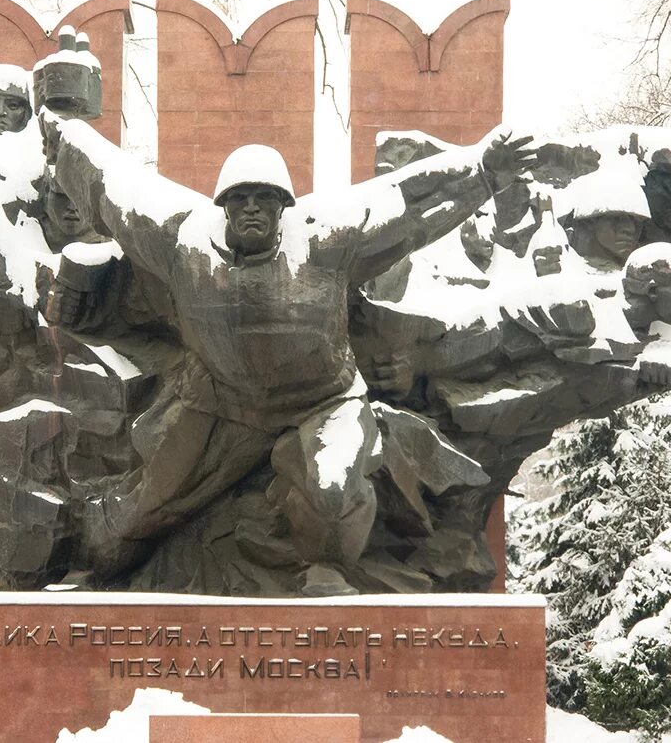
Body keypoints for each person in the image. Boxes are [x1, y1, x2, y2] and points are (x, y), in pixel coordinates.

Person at [44, 114, 532, 594]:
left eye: (265, 199)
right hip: (221, 402)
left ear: (283, 208)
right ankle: (93, 565)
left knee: (334, 485)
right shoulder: (181, 240)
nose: (252, 208)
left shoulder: (328, 239)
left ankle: (327, 568)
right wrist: (66, 143)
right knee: (149, 504)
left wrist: (482, 172)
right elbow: (114, 188)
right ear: (224, 207)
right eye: (240, 200)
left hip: (323, 401)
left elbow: (407, 205)